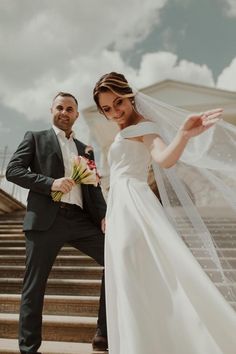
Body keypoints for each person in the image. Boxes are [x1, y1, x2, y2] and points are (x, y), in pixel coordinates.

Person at [93, 72, 236, 354]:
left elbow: (164, 159)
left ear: (130, 96)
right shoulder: (123, 132)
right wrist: (108, 212)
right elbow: (116, 178)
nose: (115, 112)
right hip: (119, 210)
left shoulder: (144, 126)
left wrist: (183, 134)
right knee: (128, 278)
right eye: (106, 109)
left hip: (135, 208)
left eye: (118, 102)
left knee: (134, 272)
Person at [6, 92, 108, 354]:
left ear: (76, 114)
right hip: (45, 220)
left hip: (81, 220)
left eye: (70, 109)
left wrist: (104, 216)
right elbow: (13, 171)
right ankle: (29, 348)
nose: (65, 112)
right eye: (60, 107)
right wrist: (51, 183)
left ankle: (102, 333)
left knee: (115, 259)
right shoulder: (35, 137)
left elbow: (93, 189)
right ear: (52, 110)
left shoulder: (86, 149)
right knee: (35, 284)